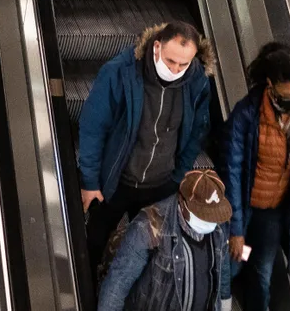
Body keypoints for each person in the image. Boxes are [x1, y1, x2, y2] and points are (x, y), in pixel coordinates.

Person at [78, 21, 214, 276]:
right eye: (171, 60)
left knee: (150, 252)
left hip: (160, 184)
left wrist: (178, 174)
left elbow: (198, 131)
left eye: (183, 64)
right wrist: (90, 181)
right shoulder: (120, 72)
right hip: (116, 183)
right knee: (94, 242)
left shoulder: (197, 80)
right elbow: (92, 127)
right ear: (157, 46)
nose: (175, 69)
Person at [223, 43, 290, 311]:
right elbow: (232, 170)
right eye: (289, 96)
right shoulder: (246, 115)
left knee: (262, 273)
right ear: (271, 86)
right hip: (244, 207)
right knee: (231, 264)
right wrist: (236, 229)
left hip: (274, 212)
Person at [97, 168, 233, 311]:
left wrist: (225, 304)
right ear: (181, 200)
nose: (209, 220)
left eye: (212, 215)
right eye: (202, 214)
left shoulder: (218, 220)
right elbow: (117, 284)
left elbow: (222, 268)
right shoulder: (148, 227)